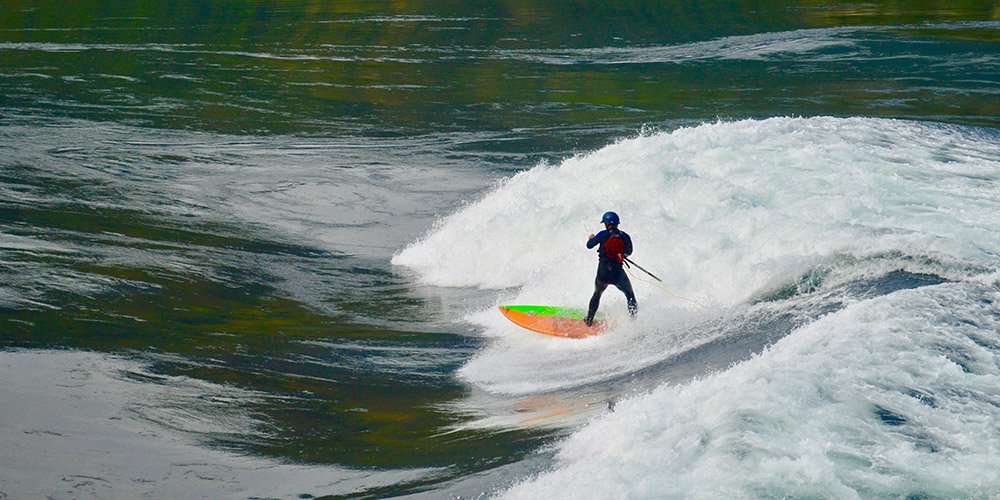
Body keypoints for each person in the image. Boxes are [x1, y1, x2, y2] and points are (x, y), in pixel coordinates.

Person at [585, 211, 637, 326]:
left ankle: (589, 320)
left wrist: (591, 238)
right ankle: (634, 323)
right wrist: (621, 254)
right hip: (618, 274)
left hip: (603, 273)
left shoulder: (602, 234)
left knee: (597, 294)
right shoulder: (624, 236)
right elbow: (629, 252)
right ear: (618, 223)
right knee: (630, 295)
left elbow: (589, 246)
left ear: (606, 224)